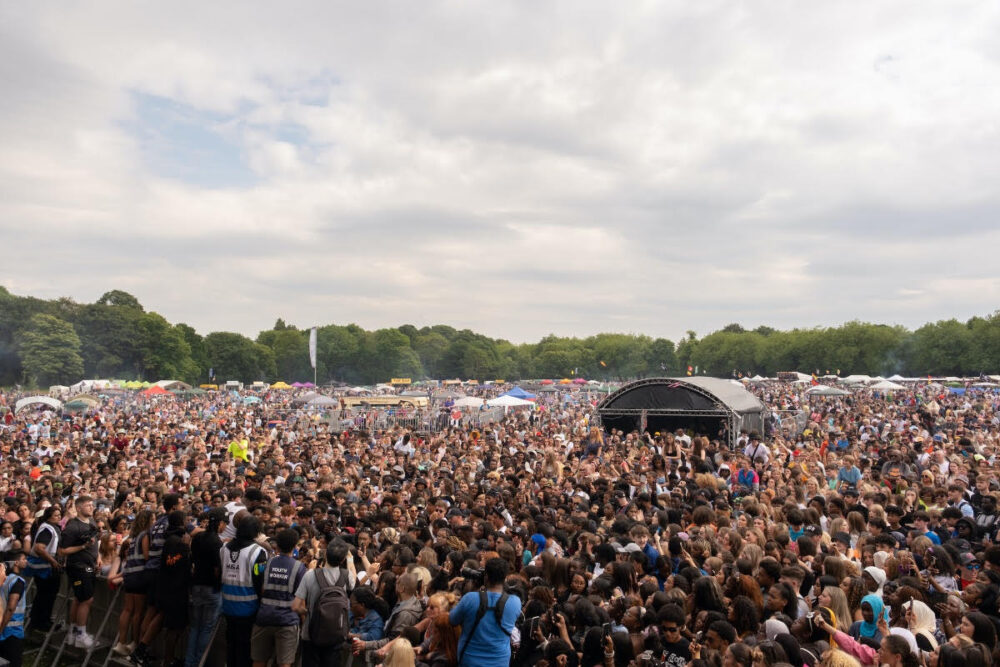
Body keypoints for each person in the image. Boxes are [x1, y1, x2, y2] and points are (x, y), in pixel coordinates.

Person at [294, 539, 356, 667]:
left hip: (311, 634)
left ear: (326, 554)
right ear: (342, 560)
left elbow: (295, 606)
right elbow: (354, 581)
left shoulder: (310, 575)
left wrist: (309, 611)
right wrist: (350, 561)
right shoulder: (346, 576)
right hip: (336, 634)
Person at [448, 558, 521, 667]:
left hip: (469, 661)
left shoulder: (470, 598)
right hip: (500, 662)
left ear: (486, 576)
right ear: (505, 578)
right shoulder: (515, 602)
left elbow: (452, 620)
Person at [251, 529, 305, 667]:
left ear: (277, 546)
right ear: (295, 546)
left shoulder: (267, 563)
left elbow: (260, 584)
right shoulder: (299, 567)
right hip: (287, 621)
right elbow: (301, 600)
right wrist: (303, 620)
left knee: (258, 661)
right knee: (284, 663)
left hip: (264, 617)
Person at [220, 517, 267, 667]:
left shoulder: (224, 548)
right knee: (245, 646)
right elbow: (259, 579)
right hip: (249, 606)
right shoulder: (258, 552)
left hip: (227, 604)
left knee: (231, 643)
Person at [185, 508, 226, 667]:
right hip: (211, 588)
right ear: (220, 524)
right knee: (206, 628)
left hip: (196, 585)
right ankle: (198, 662)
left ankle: (190, 662)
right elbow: (217, 569)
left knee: (195, 627)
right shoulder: (217, 542)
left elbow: (193, 559)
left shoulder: (199, 538)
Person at [58, 495, 99, 648]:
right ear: (79, 508)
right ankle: (81, 634)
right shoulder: (72, 527)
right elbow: (62, 551)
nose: (91, 507)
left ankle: (73, 632)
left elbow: (94, 543)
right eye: (88, 505)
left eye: (92, 504)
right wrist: (82, 547)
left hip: (90, 566)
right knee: (87, 600)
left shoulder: (92, 522)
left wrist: (98, 557)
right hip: (78, 568)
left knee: (79, 598)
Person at [25, 505, 61, 632]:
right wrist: (53, 561)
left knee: (44, 595)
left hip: (46, 568)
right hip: (45, 569)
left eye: (59, 514)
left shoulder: (50, 527)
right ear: (49, 516)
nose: (59, 517)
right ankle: (42, 622)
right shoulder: (47, 529)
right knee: (46, 596)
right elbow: (39, 548)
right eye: (56, 515)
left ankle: (39, 620)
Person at [0, 553, 28, 667]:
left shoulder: (3, 579)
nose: (26, 561)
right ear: (16, 563)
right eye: (23, 559)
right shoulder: (17, 581)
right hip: (12, 632)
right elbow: (11, 608)